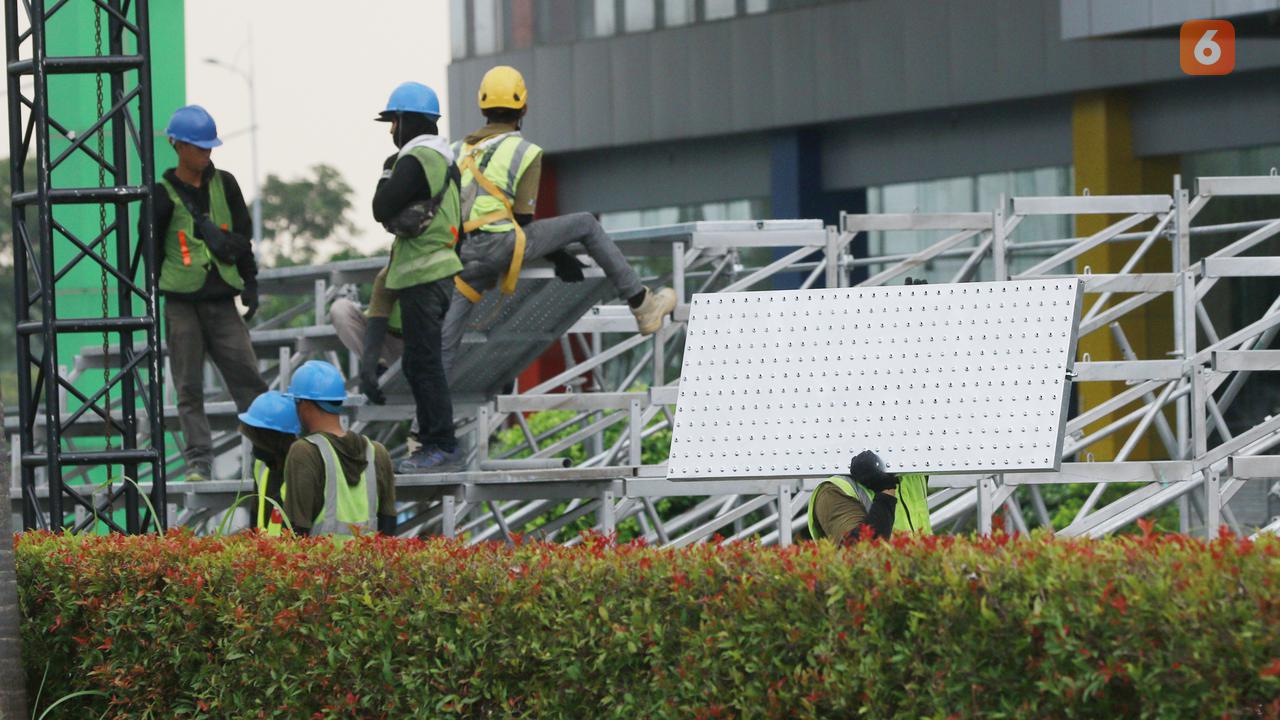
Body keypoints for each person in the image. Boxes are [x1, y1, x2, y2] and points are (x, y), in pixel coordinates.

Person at [440, 65, 678, 374]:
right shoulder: (524, 150)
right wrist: (558, 253)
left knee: (447, 342)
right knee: (586, 225)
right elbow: (524, 219)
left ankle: (426, 415)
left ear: (482, 105)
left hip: (463, 255)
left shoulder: (456, 150)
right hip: (501, 245)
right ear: (523, 107)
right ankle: (642, 304)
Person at [145, 105, 267, 482]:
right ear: (177, 146)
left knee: (248, 377)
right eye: (199, 148)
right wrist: (153, 303)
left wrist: (250, 283)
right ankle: (199, 459)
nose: (206, 154)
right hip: (181, 304)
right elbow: (149, 251)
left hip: (220, 301)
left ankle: (271, 450)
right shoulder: (161, 195)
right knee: (188, 385)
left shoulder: (225, 184)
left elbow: (243, 236)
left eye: (209, 148)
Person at [369, 81, 466, 474]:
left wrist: (384, 175)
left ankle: (440, 444)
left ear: (407, 120)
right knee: (420, 362)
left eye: (393, 122)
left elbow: (381, 207)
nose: (392, 131)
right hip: (441, 269)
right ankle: (432, 443)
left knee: (424, 363)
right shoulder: (448, 160)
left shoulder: (416, 158)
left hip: (423, 274)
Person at [281, 360, 397, 538]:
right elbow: (389, 527)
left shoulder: (304, 452)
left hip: (321, 564)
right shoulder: (377, 452)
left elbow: (296, 530)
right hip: (370, 564)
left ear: (302, 403)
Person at [807, 450, 932, 543]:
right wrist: (885, 492)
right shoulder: (833, 491)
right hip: (878, 578)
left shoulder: (913, 474)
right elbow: (858, 554)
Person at [330, 268, 404, 405]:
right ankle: (378, 369)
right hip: (382, 339)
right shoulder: (389, 273)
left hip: (422, 346)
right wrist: (370, 365)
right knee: (339, 309)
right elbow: (376, 321)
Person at [237, 390, 300, 536]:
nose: (254, 445)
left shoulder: (300, 468)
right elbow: (256, 514)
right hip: (267, 552)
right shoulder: (261, 466)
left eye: (257, 437)